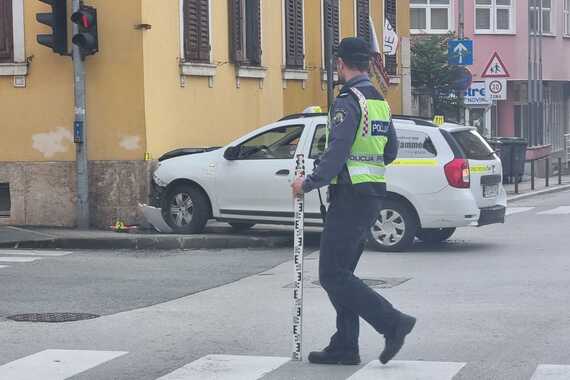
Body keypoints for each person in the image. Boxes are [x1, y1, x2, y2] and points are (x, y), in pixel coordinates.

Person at [291, 37, 416, 366]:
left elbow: (338, 150)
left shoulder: (348, 100)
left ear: (341, 64)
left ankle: (393, 322)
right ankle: (345, 345)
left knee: (332, 274)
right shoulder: (379, 101)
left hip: (350, 195)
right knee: (343, 273)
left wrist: (309, 182)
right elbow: (389, 152)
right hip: (372, 193)